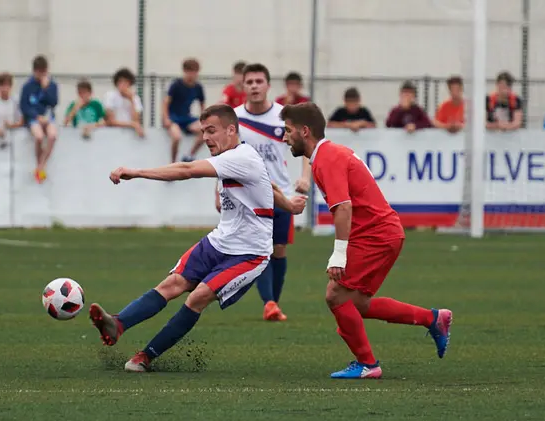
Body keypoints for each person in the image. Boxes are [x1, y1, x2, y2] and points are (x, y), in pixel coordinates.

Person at [90, 104, 307, 372]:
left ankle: (145, 356)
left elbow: (187, 169)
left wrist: (136, 172)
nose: (205, 137)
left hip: (250, 254)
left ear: (231, 130)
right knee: (172, 284)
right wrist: (290, 205)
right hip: (220, 241)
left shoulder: (240, 158)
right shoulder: (241, 155)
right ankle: (118, 323)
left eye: (211, 130)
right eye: (203, 131)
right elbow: (268, 185)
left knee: (198, 296)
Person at [280, 102, 452, 379]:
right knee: (356, 303)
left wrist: (339, 255)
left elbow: (344, 208)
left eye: (287, 131)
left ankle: (368, 364)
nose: (284, 137)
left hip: (376, 235)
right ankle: (433, 319)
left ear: (305, 131)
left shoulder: (328, 158)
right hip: (381, 232)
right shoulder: (328, 155)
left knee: (335, 295)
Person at [233, 63, 312, 322]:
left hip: (281, 194)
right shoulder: (234, 119)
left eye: (259, 81)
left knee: (279, 250)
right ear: (243, 86)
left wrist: (304, 177)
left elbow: (307, 146)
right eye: (250, 82)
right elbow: (224, 156)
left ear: (268, 85)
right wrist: (217, 189)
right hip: (249, 196)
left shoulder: (284, 116)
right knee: (262, 249)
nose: (254, 86)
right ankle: (269, 303)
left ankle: (273, 304)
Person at [20, 55, 59, 184]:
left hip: (48, 118)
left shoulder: (52, 85)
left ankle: (41, 166)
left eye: (43, 72)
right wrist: (36, 117)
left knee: (52, 136)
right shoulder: (27, 86)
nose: (41, 75)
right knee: (39, 137)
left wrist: (46, 88)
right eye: (39, 72)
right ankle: (39, 165)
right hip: (34, 118)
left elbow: (53, 102)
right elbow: (24, 106)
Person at [163, 58, 205, 163]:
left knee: (206, 130)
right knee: (177, 137)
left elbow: (202, 105)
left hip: (186, 118)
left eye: (194, 72)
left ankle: (190, 155)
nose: (192, 75)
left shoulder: (198, 87)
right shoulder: (176, 85)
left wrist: (204, 119)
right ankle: (173, 162)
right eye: (189, 71)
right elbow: (166, 103)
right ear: (184, 71)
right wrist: (166, 118)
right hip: (174, 118)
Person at [104, 68, 145, 137]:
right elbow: (110, 121)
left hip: (130, 134)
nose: (123, 84)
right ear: (116, 83)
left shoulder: (135, 98)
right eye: (120, 81)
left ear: (130, 83)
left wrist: (131, 100)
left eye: (126, 82)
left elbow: (136, 120)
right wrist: (132, 124)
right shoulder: (110, 96)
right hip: (113, 133)